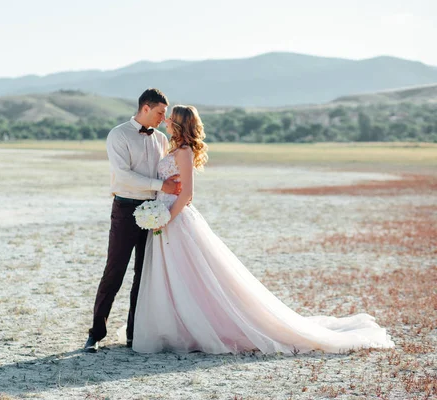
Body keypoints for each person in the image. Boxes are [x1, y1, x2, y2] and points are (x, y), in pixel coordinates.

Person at [132, 105, 395, 354]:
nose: (165, 120)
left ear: (178, 122)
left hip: (175, 219)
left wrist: (166, 216)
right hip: (163, 219)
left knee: (193, 275)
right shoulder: (171, 148)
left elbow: (187, 193)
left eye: (170, 117)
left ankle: (204, 327)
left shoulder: (185, 152)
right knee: (172, 275)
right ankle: (173, 327)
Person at [84, 88, 181, 352]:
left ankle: (133, 334)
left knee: (144, 272)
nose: (164, 118)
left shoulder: (161, 139)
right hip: (125, 209)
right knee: (114, 271)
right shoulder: (118, 135)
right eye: (160, 112)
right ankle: (96, 333)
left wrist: (168, 190)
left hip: (154, 209)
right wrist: (161, 185)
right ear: (146, 108)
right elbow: (123, 175)